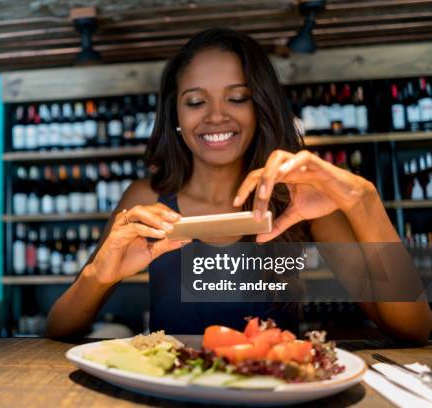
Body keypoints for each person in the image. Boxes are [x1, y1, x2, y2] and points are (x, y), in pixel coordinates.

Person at [46, 28, 431, 343]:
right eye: (196, 101)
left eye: (237, 97)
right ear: (175, 114)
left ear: (260, 106)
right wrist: (101, 274)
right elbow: (60, 330)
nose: (216, 116)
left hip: (274, 393)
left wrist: (363, 201)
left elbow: (412, 328)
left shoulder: (296, 198)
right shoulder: (145, 199)